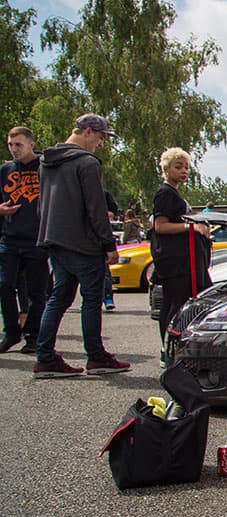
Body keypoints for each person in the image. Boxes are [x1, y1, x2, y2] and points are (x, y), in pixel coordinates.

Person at [32, 114, 130, 377]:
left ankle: (45, 357)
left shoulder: (46, 161)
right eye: (100, 137)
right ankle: (96, 357)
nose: (101, 143)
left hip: (54, 238)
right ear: (87, 131)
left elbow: (42, 203)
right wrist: (108, 244)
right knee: (91, 299)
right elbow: (95, 208)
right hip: (83, 243)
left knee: (59, 298)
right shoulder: (87, 163)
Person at [153, 147, 213, 342]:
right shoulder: (165, 193)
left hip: (181, 259)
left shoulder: (173, 193)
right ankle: (169, 344)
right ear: (166, 168)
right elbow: (160, 226)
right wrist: (192, 227)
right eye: (178, 167)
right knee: (176, 304)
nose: (184, 171)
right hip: (175, 261)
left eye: (186, 167)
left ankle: (169, 344)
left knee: (175, 302)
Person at [0, 127, 48, 355]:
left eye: (18, 144)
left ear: (31, 144)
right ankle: (11, 332)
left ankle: (33, 335)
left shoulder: (45, 167)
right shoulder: (5, 170)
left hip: (37, 239)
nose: (14, 149)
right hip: (9, 238)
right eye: (10, 145)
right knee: (4, 285)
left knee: (37, 292)